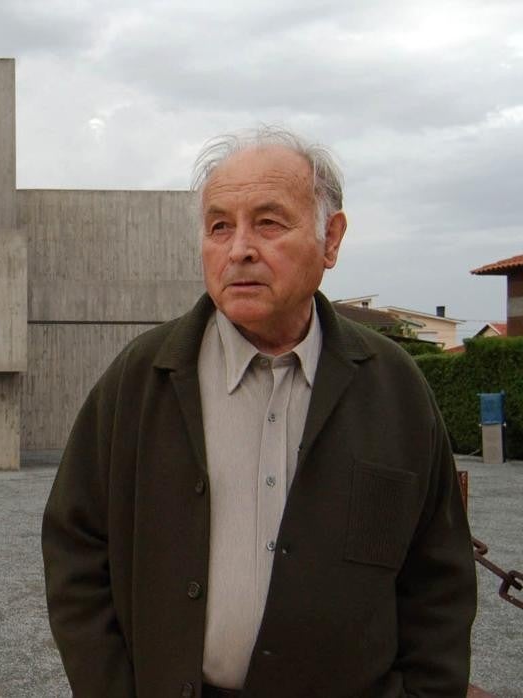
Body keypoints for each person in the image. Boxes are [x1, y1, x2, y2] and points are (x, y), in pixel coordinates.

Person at [42, 126, 476, 697]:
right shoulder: (140, 380)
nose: (239, 248)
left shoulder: (394, 388)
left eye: (269, 222)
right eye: (220, 226)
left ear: (331, 238)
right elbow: (76, 547)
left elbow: (438, 579)